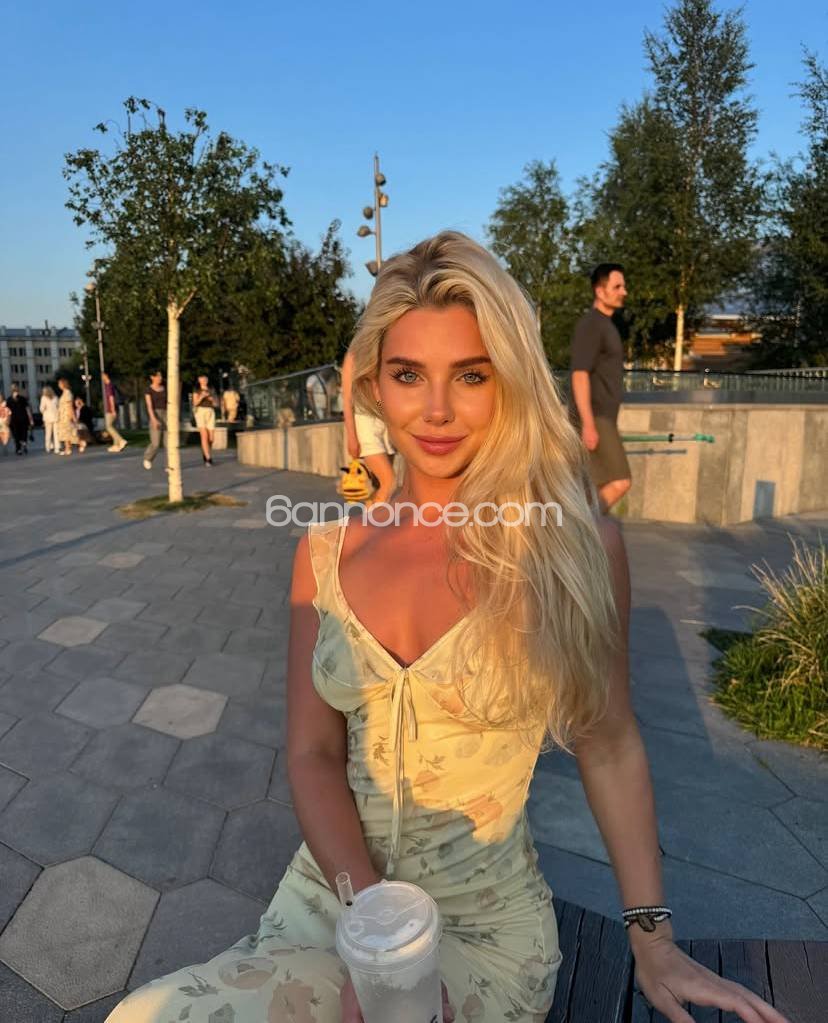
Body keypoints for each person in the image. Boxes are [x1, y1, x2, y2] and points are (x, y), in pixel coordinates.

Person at [106, 232, 787, 1023]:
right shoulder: (323, 554)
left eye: (470, 374)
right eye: (408, 374)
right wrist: (373, 929)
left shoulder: (571, 546)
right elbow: (312, 753)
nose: (435, 409)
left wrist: (653, 938)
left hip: (482, 934)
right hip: (334, 901)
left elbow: (609, 742)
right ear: (373, 385)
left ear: (510, 381)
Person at [569, 262, 632, 513]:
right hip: (596, 416)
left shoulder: (606, 325)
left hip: (602, 417)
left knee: (590, 486)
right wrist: (588, 424)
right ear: (600, 290)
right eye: (617, 287)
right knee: (620, 481)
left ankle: (579, 526)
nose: (624, 291)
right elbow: (579, 374)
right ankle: (581, 528)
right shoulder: (592, 326)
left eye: (623, 286)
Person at [341, 348, 396, 504]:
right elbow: (347, 400)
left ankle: (373, 516)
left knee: (378, 486)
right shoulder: (353, 356)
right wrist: (352, 437)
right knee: (389, 482)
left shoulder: (382, 351)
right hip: (365, 424)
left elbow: (379, 394)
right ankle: (374, 519)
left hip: (383, 423)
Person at [192, 374, 218, 466]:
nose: (204, 380)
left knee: (211, 438)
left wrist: (211, 399)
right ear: (199, 379)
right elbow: (195, 403)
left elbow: (216, 404)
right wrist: (202, 396)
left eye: (205, 378)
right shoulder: (196, 389)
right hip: (200, 411)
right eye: (202, 378)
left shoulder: (211, 389)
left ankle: (205, 451)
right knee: (204, 436)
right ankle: (208, 459)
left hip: (210, 411)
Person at [143, 371, 167, 471]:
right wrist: (153, 419)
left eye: (160, 375)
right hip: (155, 413)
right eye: (157, 376)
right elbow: (149, 406)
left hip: (166, 413)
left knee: (168, 442)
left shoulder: (165, 388)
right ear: (152, 377)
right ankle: (148, 458)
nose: (160, 378)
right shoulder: (148, 390)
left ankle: (169, 464)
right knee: (155, 443)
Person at [103, 372, 128, 452]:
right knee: (113, 427)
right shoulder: (112, 385)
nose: (102, 378)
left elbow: (111, 398)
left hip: (110, 409)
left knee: (108, 426)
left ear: (106, 375)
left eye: (103, 376)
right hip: (114, 408)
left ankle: (121, 440)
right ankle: (116, 445)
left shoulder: (109, 386)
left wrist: (113, 409)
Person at [7, 385, 33, 455]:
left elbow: (27, 409)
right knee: (19, 435)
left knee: (20, 434)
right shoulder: (10, 400)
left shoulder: (20, 399)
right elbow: (7, 411)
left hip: (20, 420)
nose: (16, 392)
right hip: (16, 420)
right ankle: (20, 447)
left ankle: (21, 447)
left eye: (16, 390)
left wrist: (30, 419)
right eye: (15, 390)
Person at [56, 378, 78, 456]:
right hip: (63, 415)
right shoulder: (64, 393)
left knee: (67, 432)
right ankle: (67, 448)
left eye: (59, 384)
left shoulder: (67, 393)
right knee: (65, 432)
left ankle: (68, 448)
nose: (59, 385)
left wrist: (72, 415)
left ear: (63, 384)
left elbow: (70, 405)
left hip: (66, 415)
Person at [40, 386, 59, 454]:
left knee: (48, 433)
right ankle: (57, 448)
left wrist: (44, 411)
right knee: (56, 434)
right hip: (56, 417)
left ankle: (48, 447)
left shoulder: (44, 398)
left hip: (47, 418)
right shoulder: (56, 397)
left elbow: (41, 408)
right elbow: (58, 407)